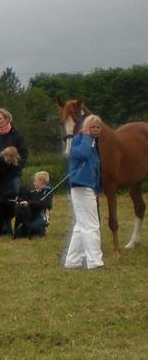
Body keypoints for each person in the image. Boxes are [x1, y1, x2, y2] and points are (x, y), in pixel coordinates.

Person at [63, 114, 103, 270]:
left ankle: (72, 260)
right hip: (81, 185)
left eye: (98, 127)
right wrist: (86, 136)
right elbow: (82, 154)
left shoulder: (93, 143)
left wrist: (96, 188)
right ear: (86, 127)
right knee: (92, 225)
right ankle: (95, 261)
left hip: (88, 186)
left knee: (81, 225)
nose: (96, 129)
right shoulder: (81, 140)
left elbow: (96, 169)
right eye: (92, 126)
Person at [0, 108, 28, 198]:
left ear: (7, 119)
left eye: (0, 118)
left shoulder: (16, 134)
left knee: (16, 193)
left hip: (13, 172)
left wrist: (18, 165)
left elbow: (24, 151)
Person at [14, 171, 53, 238]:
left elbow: (42, 204)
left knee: (33, 229)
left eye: (35, 181)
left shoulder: (48, 192)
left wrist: (28, 203)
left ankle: (41, 230)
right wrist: (21, 201)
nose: (34, 182)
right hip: (32, 217)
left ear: (41, 181)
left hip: (41, 218)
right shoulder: (33, 192)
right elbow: (25, 199)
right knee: (20, 233)